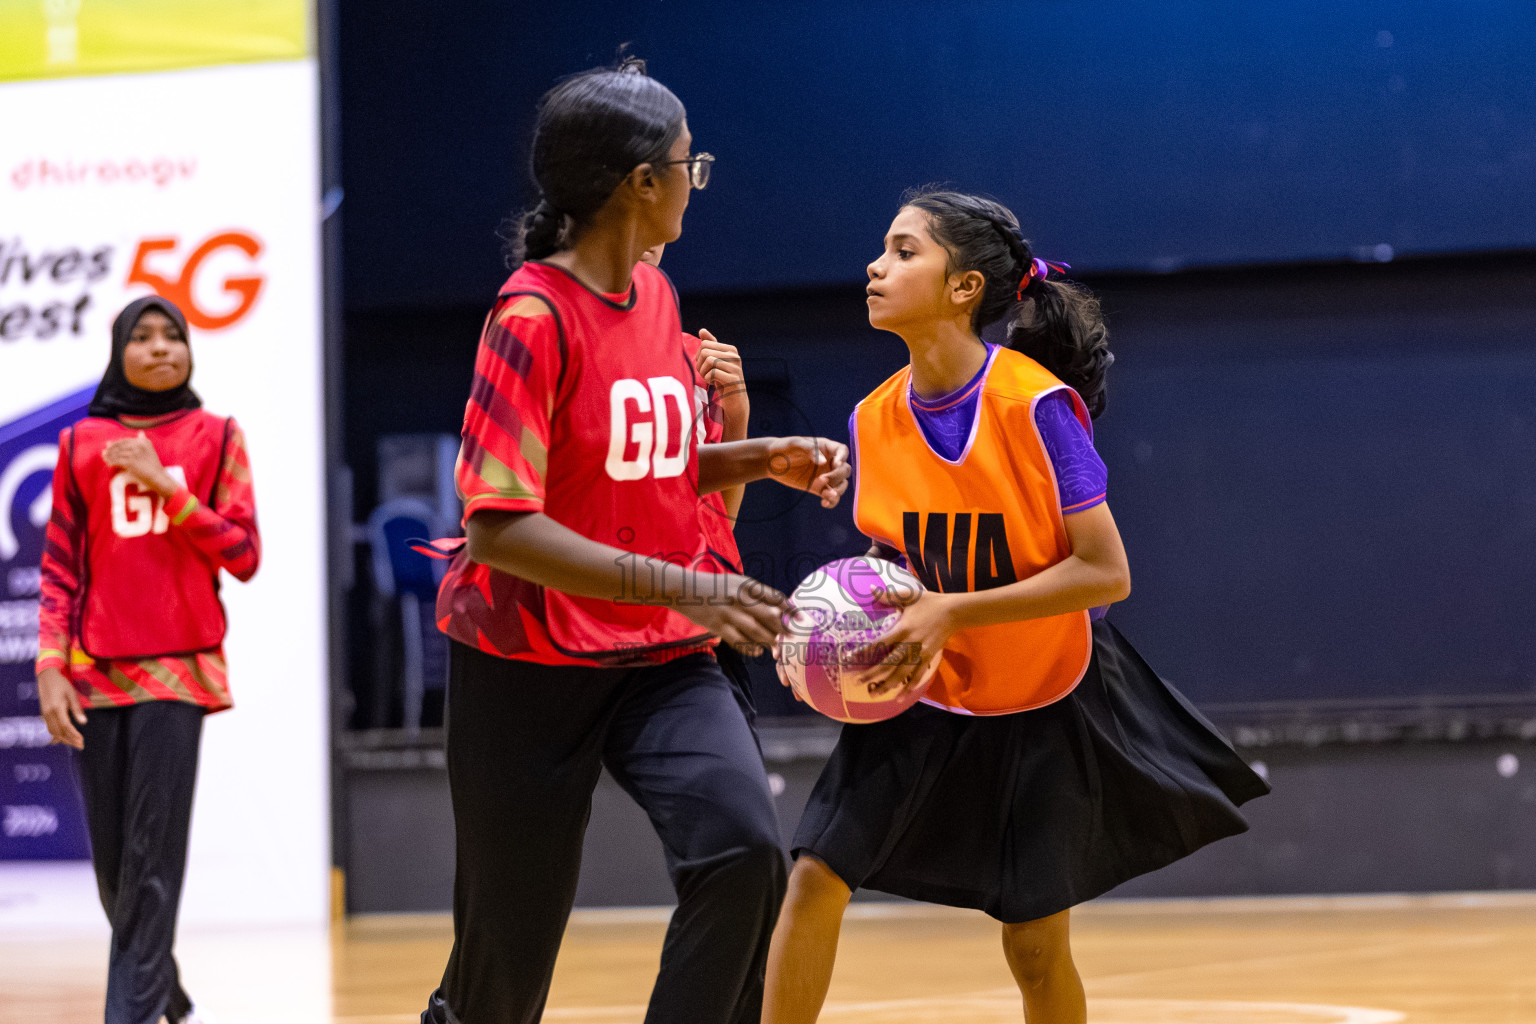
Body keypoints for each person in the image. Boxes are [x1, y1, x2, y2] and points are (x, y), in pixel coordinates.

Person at [762, 190, 1269, 1024]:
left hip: (1043, 692)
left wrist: (952, 611)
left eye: (901, 251)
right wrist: (825, 645)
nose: (875, 266)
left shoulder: (1033, 406)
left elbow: (1107, 574)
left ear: (963, 287)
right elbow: (897, 572)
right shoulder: (872, 418)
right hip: (923, 688)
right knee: (814, 879)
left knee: (1034, 947)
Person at [419, 59, 849, 1024]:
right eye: (688, 166)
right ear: (637, 184)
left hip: (655, 648)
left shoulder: (655, 300)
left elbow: (641, 466)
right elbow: (497, 523)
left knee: (743, 853)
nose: (696, 184)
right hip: (525, 655)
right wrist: (685, 585)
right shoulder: (529, 319)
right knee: (506, 955)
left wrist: (752, 457)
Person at [35, 294, 260, 1024]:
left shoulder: (218, 436)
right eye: (144, 336)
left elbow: (244, 554)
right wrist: (48, 665)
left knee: (151, 863)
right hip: (95, 675)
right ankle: (171, 996)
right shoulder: (79, 445)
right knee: (115, 875)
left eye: (174, 336)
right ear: (119, 350)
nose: (162, 348)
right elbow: (61, 567)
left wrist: (166, 484)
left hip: (180, 673)